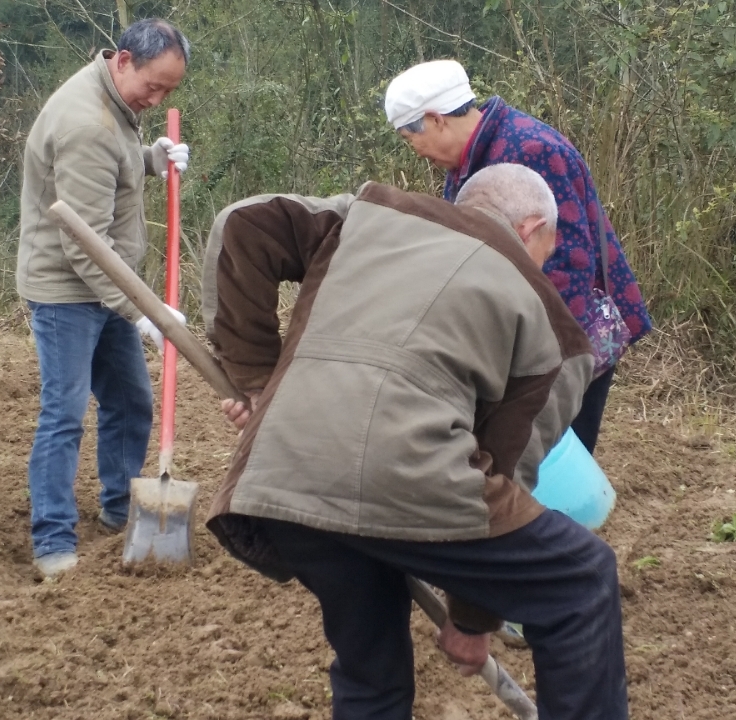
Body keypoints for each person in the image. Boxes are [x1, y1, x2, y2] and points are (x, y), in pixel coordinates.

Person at [201, 164, 629, 720]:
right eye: (548, 246)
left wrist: (257, 378)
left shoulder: (368, 213)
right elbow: (506, 470)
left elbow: (243, 223)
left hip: (283, 474)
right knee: (581, 582)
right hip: (410, 482)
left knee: (370, 674)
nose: (543, 263)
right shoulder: (557, 331)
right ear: (530, 229)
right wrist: (473, 620)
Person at [384, 59, 652, 455]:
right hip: (532, 334)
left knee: (553, 461)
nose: (416, 153)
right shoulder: (474, 157)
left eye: (411, 139)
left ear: (436, 119)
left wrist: (545, 363)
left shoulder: (529, 151)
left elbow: (567, 263)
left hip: (569, 335)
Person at [15, 18, 192, 579]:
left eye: (168, 91)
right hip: (69, 291)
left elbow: (108, 169)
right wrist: (143, 312)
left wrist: (149, 159)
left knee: (130, 401)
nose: (156, 98)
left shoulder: (113, 103)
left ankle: (119, 511)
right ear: (123, 60)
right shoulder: (87, 122)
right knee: (64, 415)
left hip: (108, 284)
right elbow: (85, 246)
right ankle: (53, 542)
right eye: (153, 85)